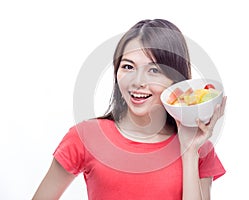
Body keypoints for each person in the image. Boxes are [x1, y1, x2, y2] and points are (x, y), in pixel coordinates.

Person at [32, 19, 227, 200]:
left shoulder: (198, 146)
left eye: (154, 70)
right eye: (128, 67)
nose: (137, 82)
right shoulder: (85, 137)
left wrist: (189, 151)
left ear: (175, 81)